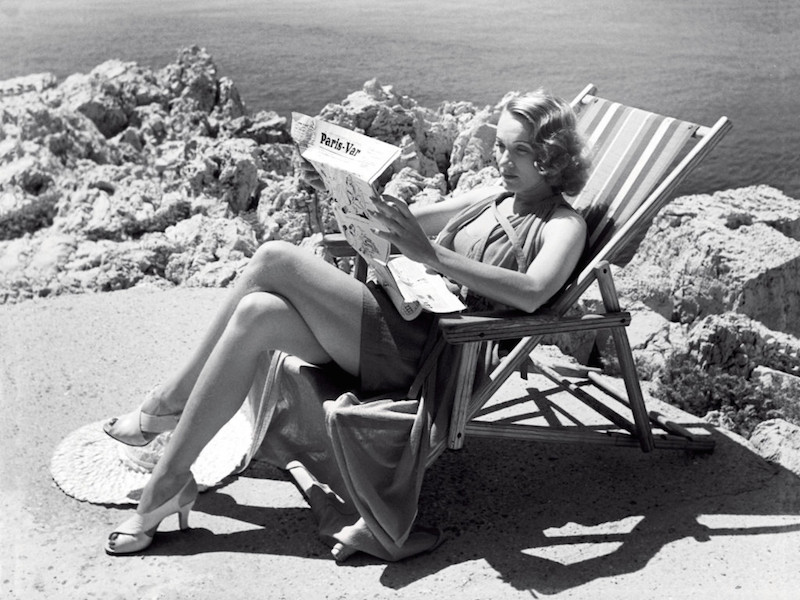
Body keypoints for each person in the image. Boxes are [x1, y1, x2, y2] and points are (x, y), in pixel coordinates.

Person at [103, 89, 591, 556]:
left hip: (442, 354)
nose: (503, 161)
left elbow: (534, 294)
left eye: (520, 151)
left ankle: (166, 405)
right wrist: (342, 191)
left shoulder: (564, 225)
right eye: (501, 148)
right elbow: (396, 223)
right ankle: (172, 477)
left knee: (273, 257)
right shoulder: (493, 198)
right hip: (410, 319)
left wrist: (433, 256)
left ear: (552, 155)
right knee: (257, 314)